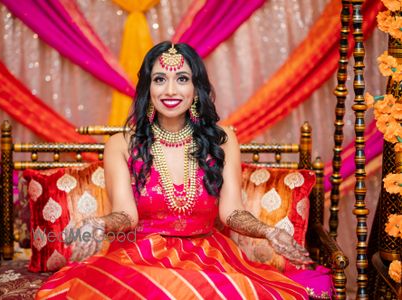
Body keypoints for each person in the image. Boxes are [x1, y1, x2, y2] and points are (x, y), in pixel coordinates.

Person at [36, 41, 313, 299]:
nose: (170, 90)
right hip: (140, 256)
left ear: (195, 89)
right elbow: (126, 215)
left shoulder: (222, 140)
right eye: (160, 79)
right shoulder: (121, 144)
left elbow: (232, 212)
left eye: (182, 79)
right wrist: (100, 223)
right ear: (148, 89)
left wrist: (268, 231)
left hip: (208, 255)